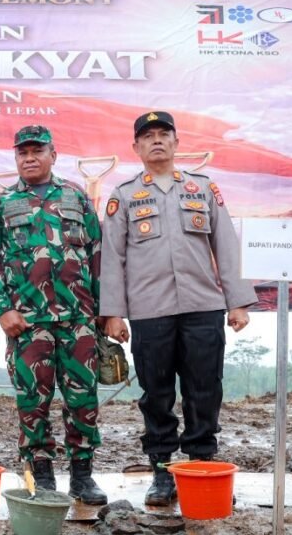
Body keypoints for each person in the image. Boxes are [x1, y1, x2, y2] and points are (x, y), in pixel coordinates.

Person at [100, 111, 258, 506]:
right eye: (147, 136)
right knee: (155, 392)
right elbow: (111, 259)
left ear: (176, 142)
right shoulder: (123, 196)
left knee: (204, 388)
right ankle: (161, 470)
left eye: (163, 135)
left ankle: (202, 463)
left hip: (202, 306)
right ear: (135, 147)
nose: (156, 141)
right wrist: (113, 313)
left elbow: (227, 245)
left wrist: (236, 301)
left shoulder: (203, 189)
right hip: (149, 311)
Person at [0, 125, 107, 505]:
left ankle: (83, 476)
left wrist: (105, 312)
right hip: (28, 323)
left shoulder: (75, 197)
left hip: (78, 319)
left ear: (54, 154)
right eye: (22, 153)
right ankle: (43, 475)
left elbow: (96, 253)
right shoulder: (0, 204)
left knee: (83, 398)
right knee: (32, 400)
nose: (29, 158)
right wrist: (3, 310)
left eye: (37, 151)